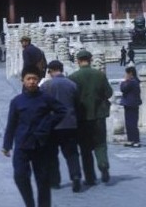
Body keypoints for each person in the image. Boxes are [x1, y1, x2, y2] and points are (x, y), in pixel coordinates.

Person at [2, 65, 67, 207]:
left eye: (34, 79)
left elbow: (62, 111)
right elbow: (11, 124)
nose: (31, 81)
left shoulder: (46, 98)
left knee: (43, 180)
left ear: (38, 80)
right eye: (28, 79)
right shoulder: (17, 101)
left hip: (41, 144)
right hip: (22, 144)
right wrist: (6, 145)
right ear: (23, 80)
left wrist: (48, 124)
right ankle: (29, 203)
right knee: (20, 176)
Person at [69, 49, 113, 185]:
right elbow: (109, 92)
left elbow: (71, 97)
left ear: (77, 61)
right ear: (91, 59)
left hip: (82, 117)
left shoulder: (73, 77)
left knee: (85, 148)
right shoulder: (99, 75)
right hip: (99, 115)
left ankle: (90, 177)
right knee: (100, 144)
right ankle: (103, 165)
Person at [40, 60, 81, 193]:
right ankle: (75, 176)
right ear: (62, 69)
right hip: (70, 123)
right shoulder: (72, 85)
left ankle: (55, 181)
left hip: (53, 125)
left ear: (50, 71)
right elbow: (78, 104)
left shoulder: (46, 86)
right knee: (72, 153)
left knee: (52, 154)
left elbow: (42, 106)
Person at [120, 66, 142, 148]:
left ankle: (135, 140)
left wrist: (124, 81)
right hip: (131, 104)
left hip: (130, 104)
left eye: (126, 73)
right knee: (129, 123)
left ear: (130, 73)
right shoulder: (135, 81)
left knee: (132, 123)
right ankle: (131, 139)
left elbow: (123, 88)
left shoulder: (131, 82)